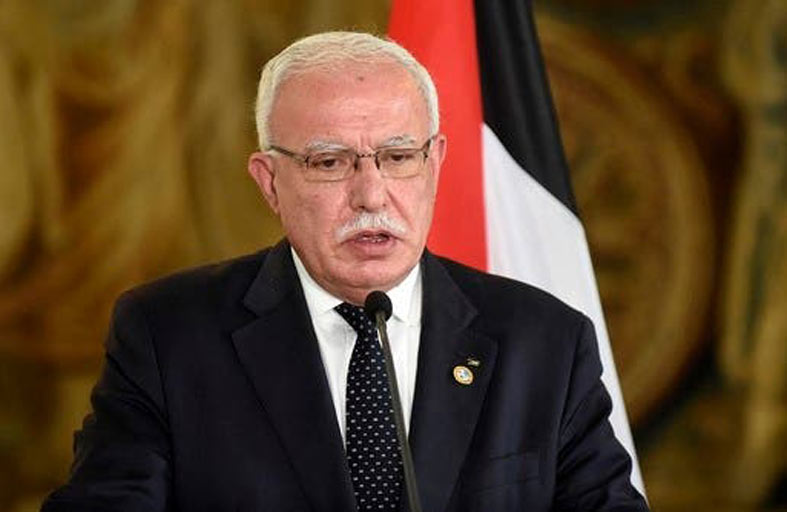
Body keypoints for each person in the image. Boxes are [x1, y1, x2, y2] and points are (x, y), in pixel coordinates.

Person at [42, 31, 649, 511]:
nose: (371, 195)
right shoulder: (167, 337)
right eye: (330, 162)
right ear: (269, 182)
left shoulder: (544, 341)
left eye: (398, 156)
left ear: (435, 163)